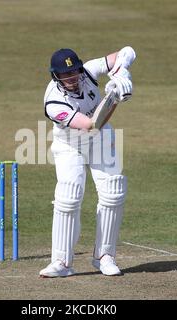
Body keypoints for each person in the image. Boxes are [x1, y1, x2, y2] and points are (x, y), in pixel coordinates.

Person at [39, 46, 136, 277]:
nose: (71, 79)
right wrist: (114, 97)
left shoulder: (88, 70)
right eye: (65, 75)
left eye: (74, 73)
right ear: (56, 76)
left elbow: (127, 52)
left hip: (101, 142)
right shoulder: (53, 101)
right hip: (70, 145)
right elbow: (92, 125)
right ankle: (62, 262)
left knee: (114, 192)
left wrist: (122, 74)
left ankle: (105, 256)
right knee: (69, 197)